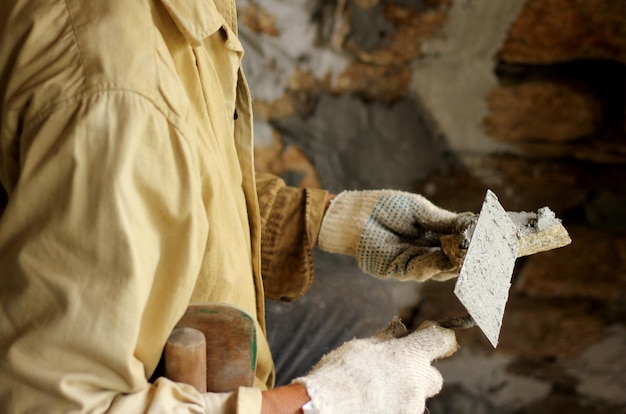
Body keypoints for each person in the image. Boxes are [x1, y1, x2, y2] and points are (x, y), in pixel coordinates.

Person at [0, 0, 471, 412]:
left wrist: (330, 221)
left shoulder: (175, 21)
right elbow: (56, 404)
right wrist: (318, 403)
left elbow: (178, 176)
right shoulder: (121, 97)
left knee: (356, 302)